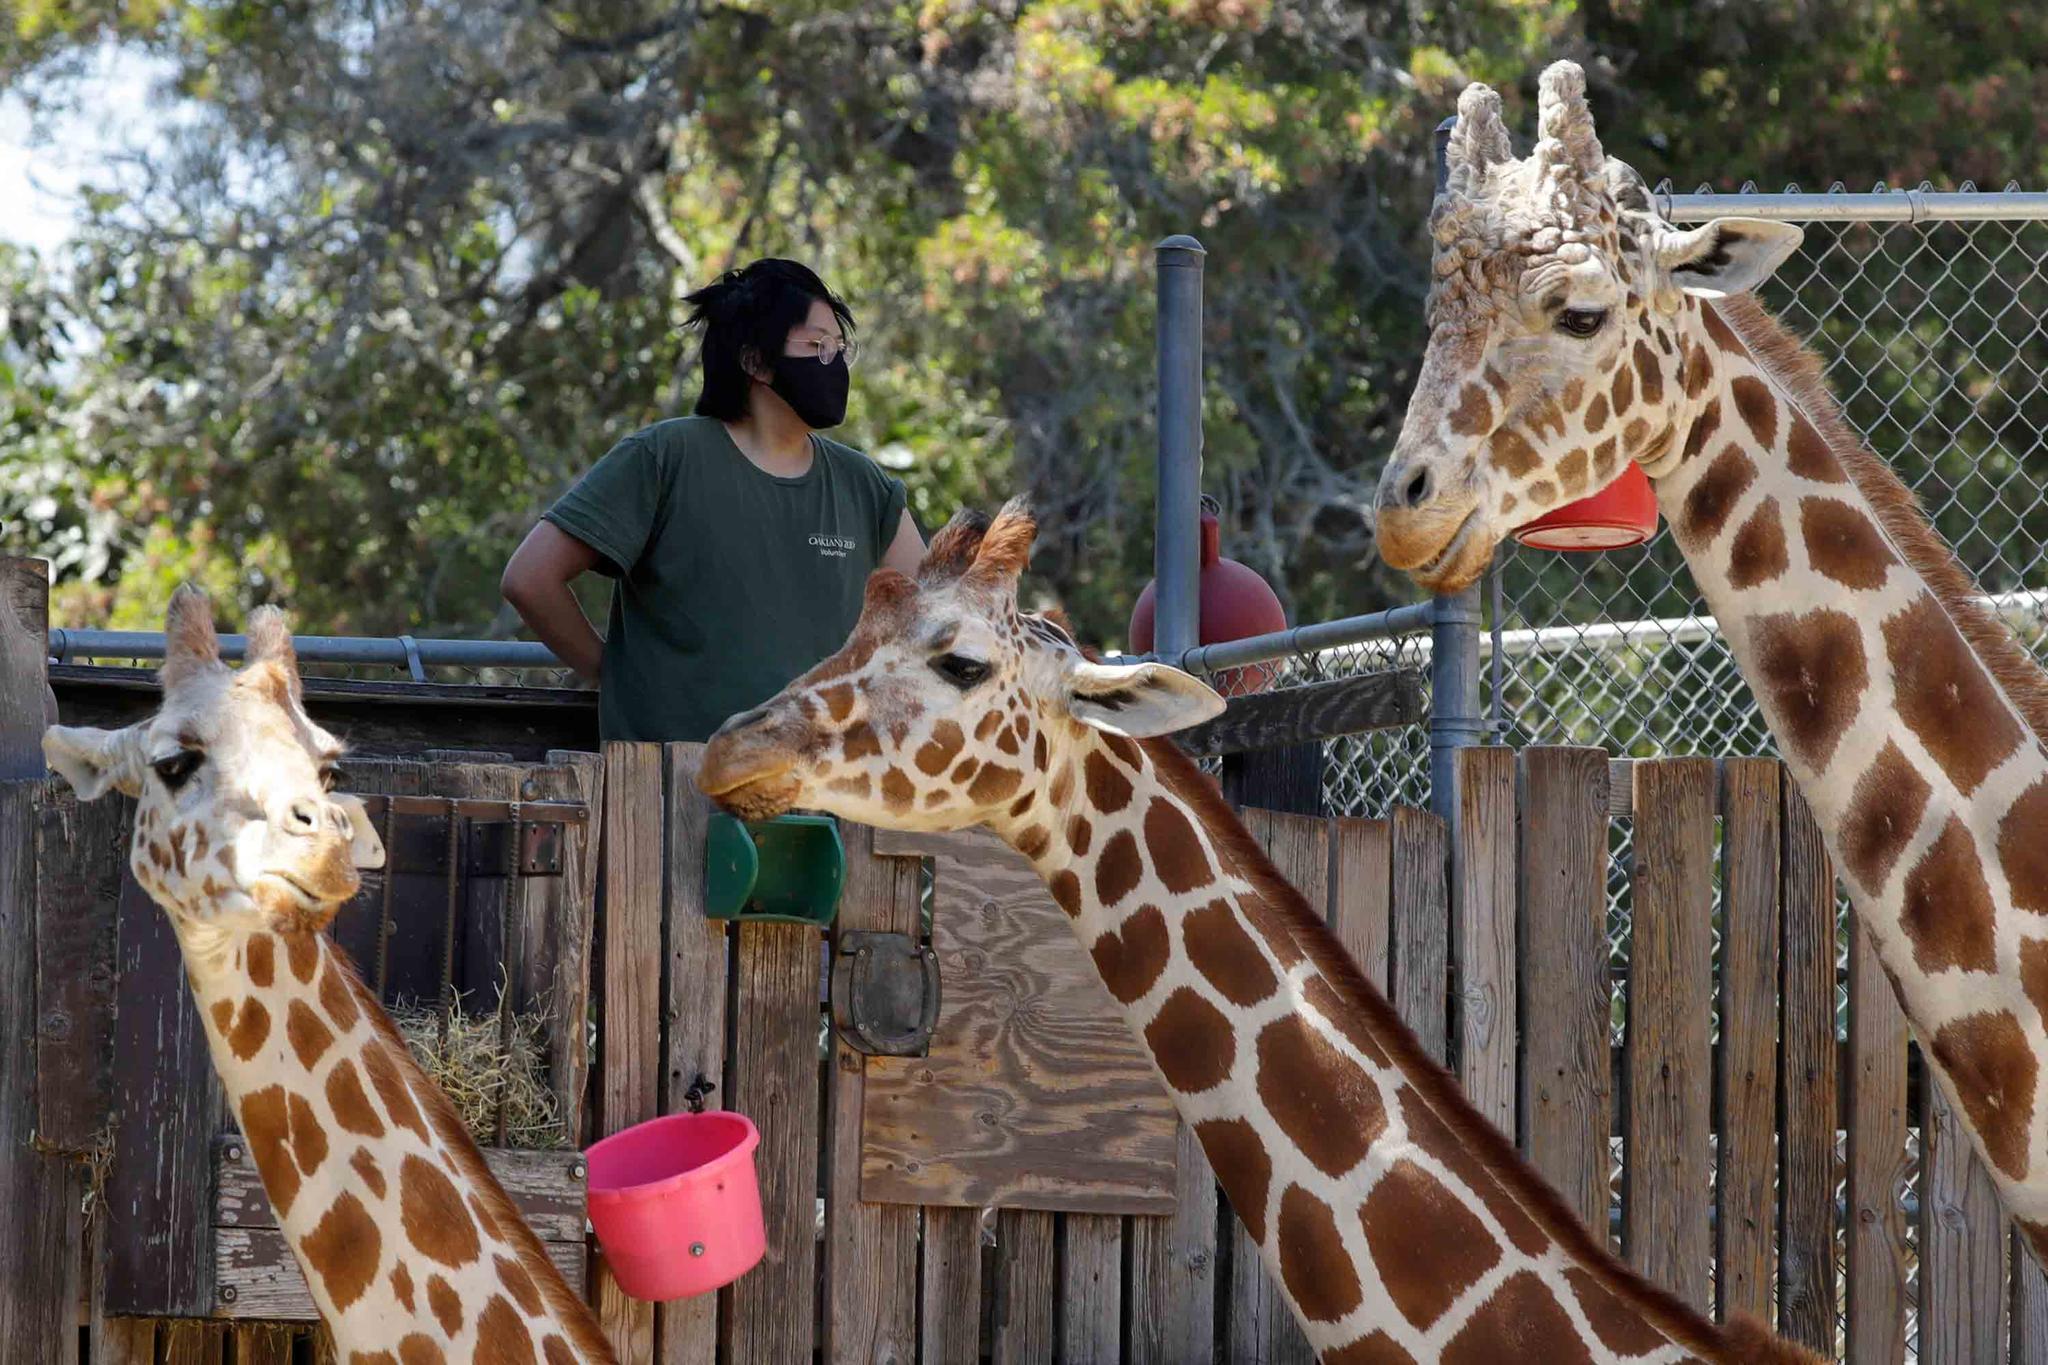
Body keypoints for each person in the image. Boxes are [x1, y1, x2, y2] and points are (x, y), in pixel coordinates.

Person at [502, 259, 925, 742]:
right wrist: (614, 675)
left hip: (822, 796)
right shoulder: (664, 458)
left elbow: (937, 616)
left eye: (839, 348)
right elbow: (529, 578)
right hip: (666, 792)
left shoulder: (865, 485)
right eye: (817, 346)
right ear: (756, 362)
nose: (833, 363)